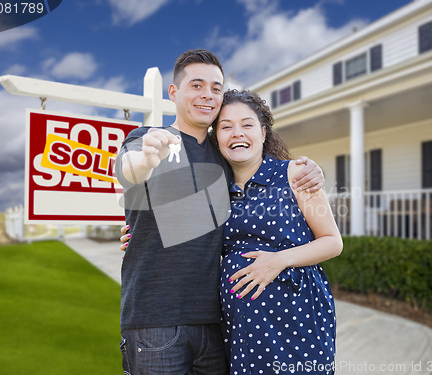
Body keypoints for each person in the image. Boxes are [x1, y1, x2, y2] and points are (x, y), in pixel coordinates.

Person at [115, 49, 325, 375]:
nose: (208, 95)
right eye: (196, 85)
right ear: (174, 92)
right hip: (155, 320)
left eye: (216, 87)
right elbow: (131, 171)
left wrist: (311, 170)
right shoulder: (145, 139)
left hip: (218, 325)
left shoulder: (224, 154)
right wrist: (148, 158)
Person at [210, 89, 343, 374]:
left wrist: (278, 260)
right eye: (226, 127)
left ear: (263, 132)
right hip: (240, 326)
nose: (237, 133)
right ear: (216, 137)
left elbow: (332, 242)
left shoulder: (295, 174)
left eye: (247, 124)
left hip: (296, 317)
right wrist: (137, 238)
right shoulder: (216, 192)